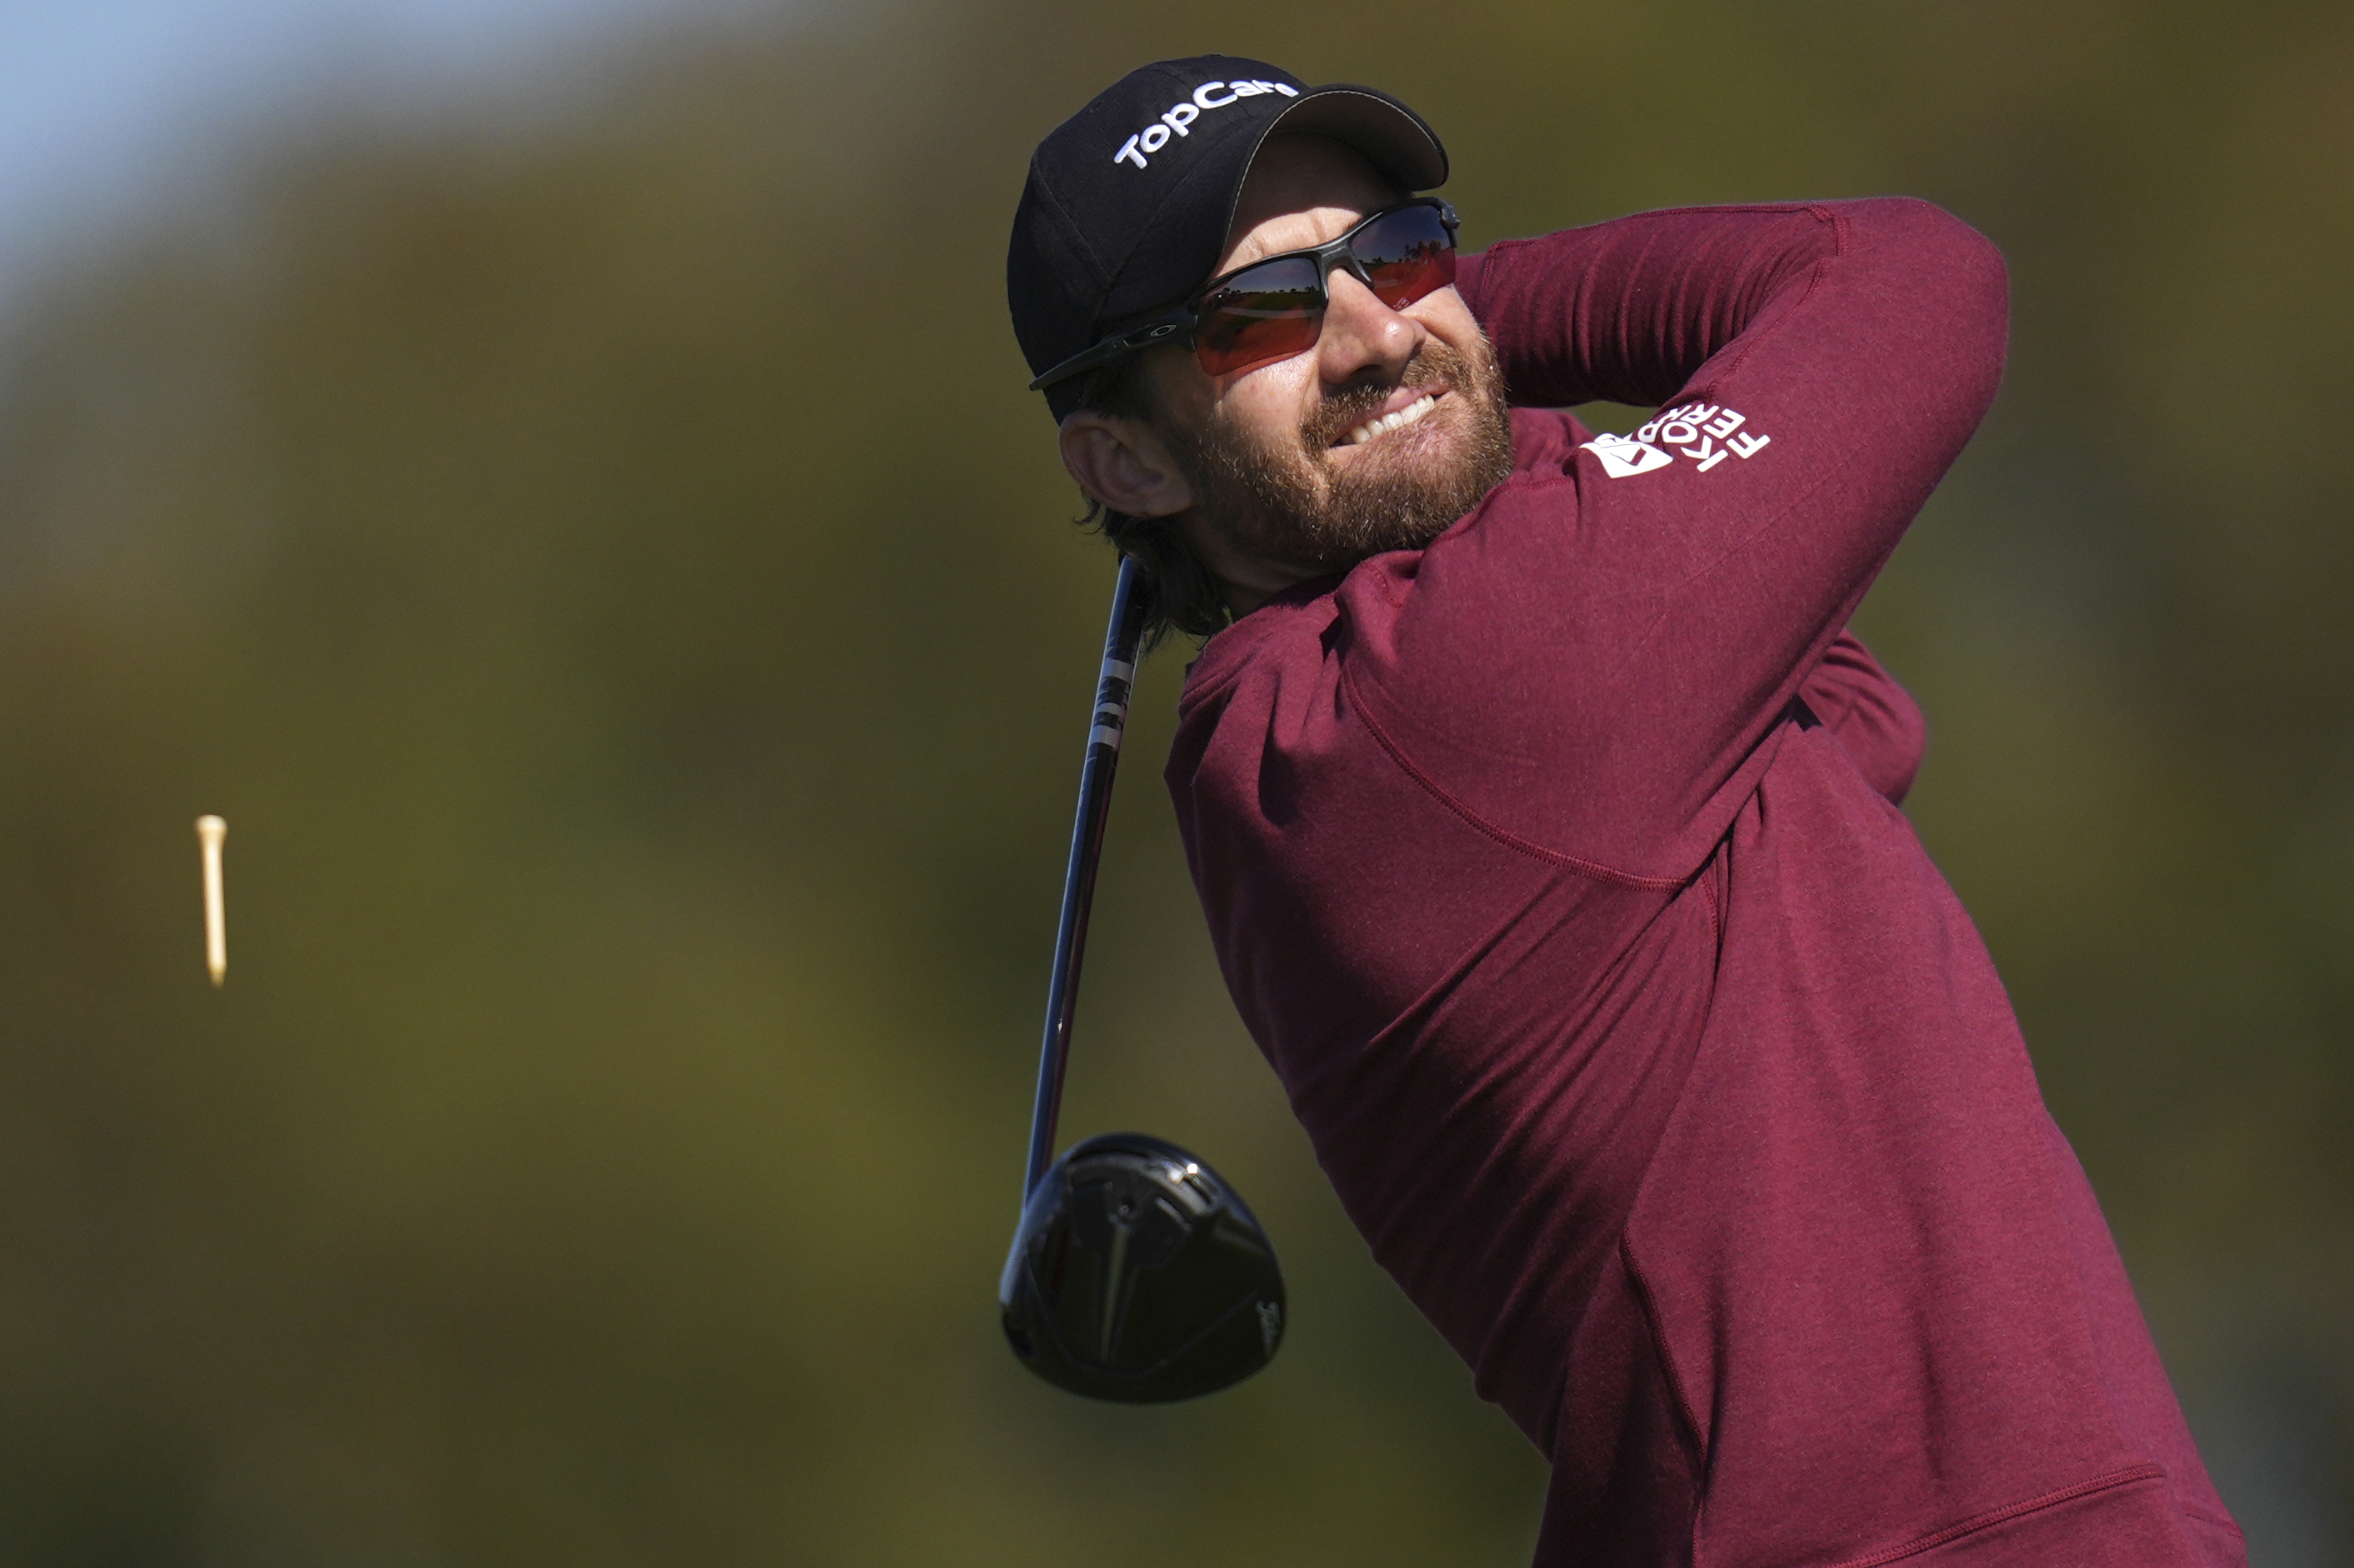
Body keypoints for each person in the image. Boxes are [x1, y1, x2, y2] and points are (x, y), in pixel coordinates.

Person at [1006, 55, 2247, 1566]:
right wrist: (1478, 326)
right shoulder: (1450, 685)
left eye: (1398, 253)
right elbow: (1902, 279)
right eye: (1251, 315)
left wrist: (1426, 358)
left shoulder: (1340, 711)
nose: (1364, 330)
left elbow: (1849, 721)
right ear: (1121, 458)